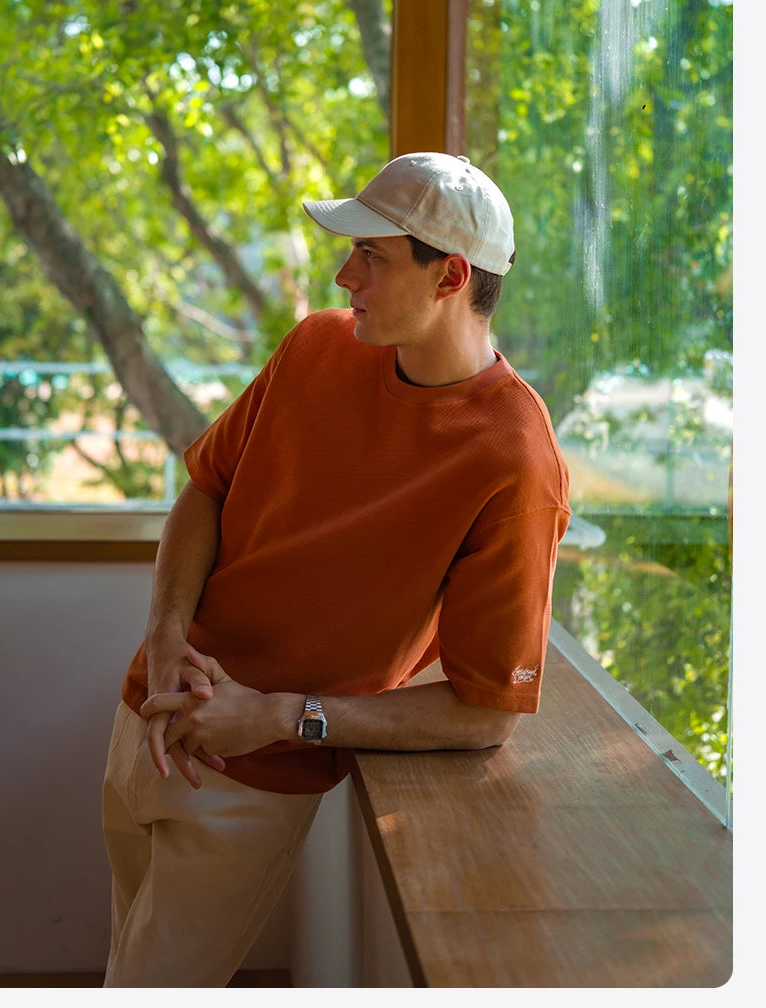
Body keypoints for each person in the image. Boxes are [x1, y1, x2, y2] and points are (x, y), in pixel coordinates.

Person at [101, 151, 571, 987]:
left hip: (252, 776)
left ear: (450, 276)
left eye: (373, 256)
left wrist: (279, 716)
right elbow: (206, 491)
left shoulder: (516, 459)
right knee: (120, 966)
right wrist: (166, 635)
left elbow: (485, 715)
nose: (344, 274)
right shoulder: (318, 343)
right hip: (147, 710)